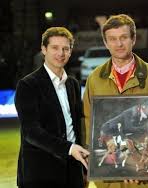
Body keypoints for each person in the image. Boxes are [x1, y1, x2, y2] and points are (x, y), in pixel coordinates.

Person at [83, 14, 148, 188]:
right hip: (109, 179)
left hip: (145, 177)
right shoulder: (95, 78)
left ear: (133, 39)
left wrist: (144, 167)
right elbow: (89, 121)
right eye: (112, 39)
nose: (118, 44)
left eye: (123, 38)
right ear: (105, 43)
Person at [15, 27, 89, 188]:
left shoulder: (72, 84)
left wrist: (83, 167)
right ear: (44, 49)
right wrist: (69, 148)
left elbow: (76, 126)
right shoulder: (28, 85)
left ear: (70, 51)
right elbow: (31, 132)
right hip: (41, 173)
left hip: (73, 170)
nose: (60, 53)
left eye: (65, 48)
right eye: (55, 48)